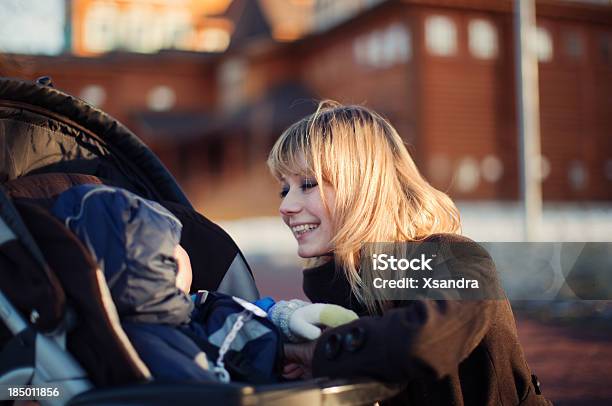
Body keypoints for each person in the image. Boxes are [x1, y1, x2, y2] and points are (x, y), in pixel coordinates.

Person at [267, 101, 551, 405]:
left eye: (308, 184)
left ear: (363, 186)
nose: (286, 206)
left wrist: (318, 352)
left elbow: (424, 341)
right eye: (285, 189)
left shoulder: (452, 257)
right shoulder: (336, 283)